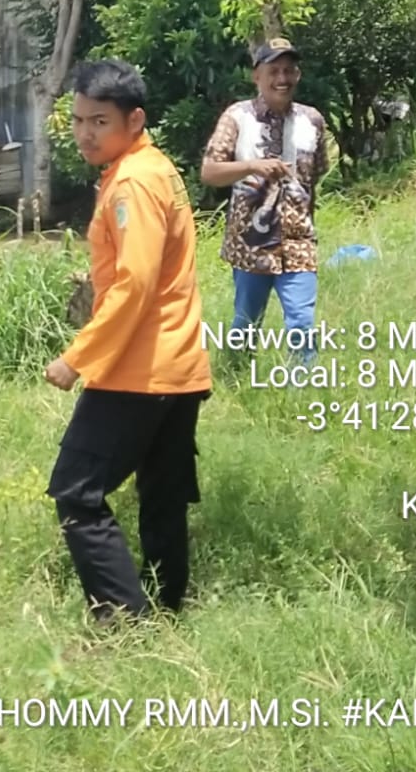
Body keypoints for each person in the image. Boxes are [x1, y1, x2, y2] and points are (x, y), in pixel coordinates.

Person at [44, 59, 212, 625]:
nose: (86, 133)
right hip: (178, 366)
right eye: (79, 121)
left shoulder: (134, 183)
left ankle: (123, 621)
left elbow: (135, 285)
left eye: (100, 121)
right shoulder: (152, 169)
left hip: (139, 368)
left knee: (76, 491)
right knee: (161, 496)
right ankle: (168, 613)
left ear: (134, 119)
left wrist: (77, 356)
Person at [200, 36, 330, 364]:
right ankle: (236, 377)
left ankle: (304, 390)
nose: (282, 79)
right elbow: (210, 172)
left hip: (299, 242)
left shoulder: (312, 120)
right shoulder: (237, 117)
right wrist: (251, 166)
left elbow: (316, 175)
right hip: (250, 244)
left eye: (289, 70)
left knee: (302, 322)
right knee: (246, 323)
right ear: (256, 76)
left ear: (297, 75)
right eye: (274, 71)